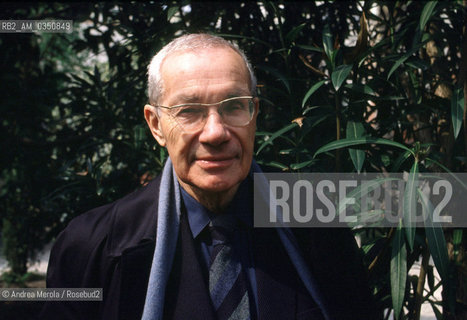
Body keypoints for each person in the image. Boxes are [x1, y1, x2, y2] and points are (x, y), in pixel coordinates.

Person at [41, 33, 379, 320]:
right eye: (188, 111)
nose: (215, 133)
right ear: (156, 125)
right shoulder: (92, 246)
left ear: (254, 114)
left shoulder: (315, 222)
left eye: (233, 106)